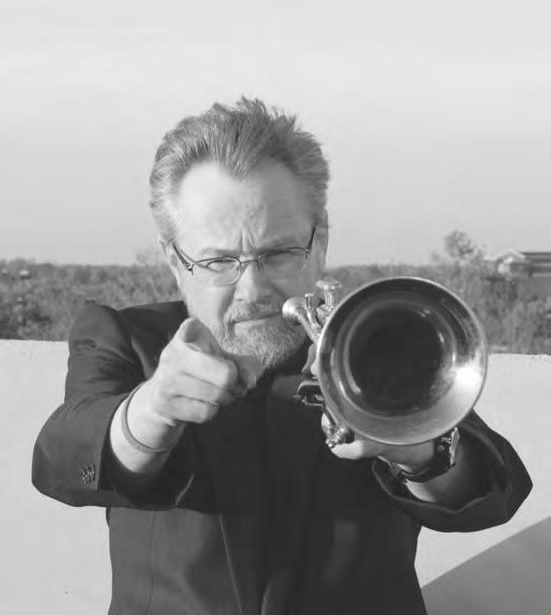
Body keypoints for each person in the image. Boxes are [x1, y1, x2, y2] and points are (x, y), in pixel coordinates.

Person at [32, 98, 532, 615]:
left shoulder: (377, 338)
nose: (253, 289)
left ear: (321, 242)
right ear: (175, 262)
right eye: (218, 261)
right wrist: (152, 410)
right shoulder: (126, 336)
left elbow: (490, 491)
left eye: (278, 253)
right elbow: (60, 459)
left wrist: (413, 448)